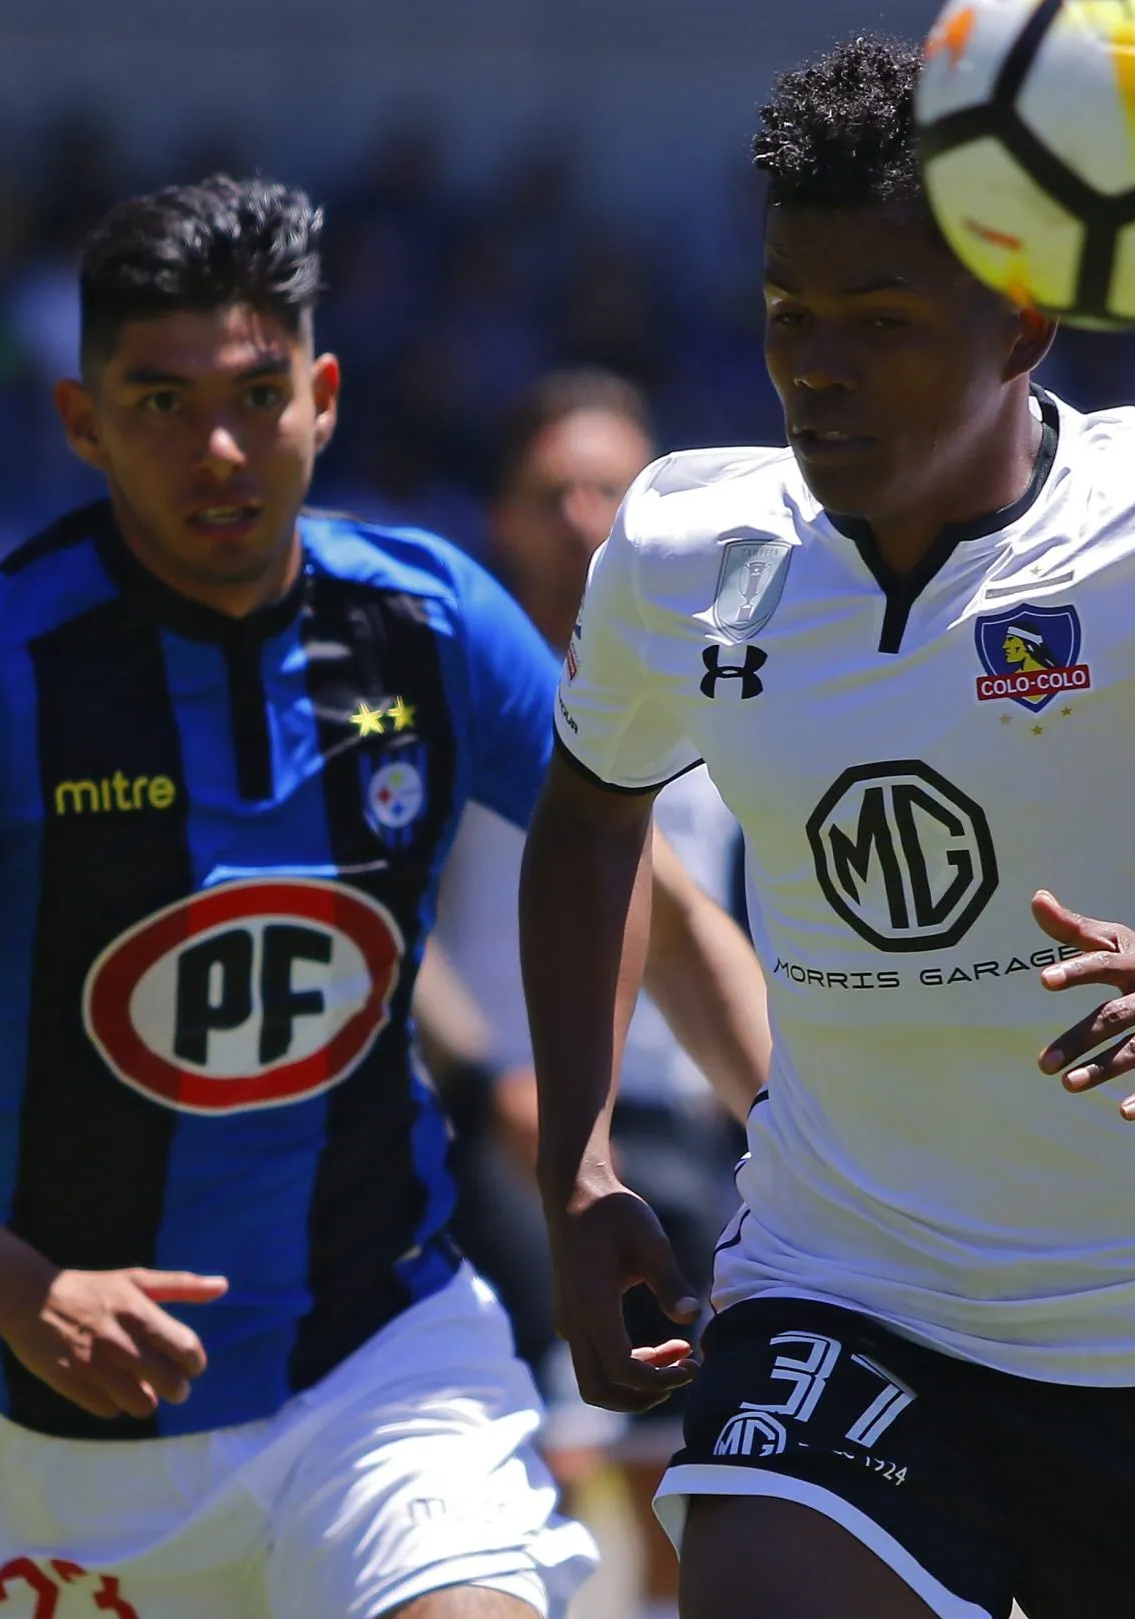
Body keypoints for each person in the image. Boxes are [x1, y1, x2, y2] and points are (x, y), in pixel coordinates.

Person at [518, 37, 1135, 1619]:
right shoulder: (681, 542)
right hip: (838, 1286)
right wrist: (574, 1162)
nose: (815, 367)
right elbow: (587, 826)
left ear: (1020, 327)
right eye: (790, 315)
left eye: (880, 320)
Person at [0, 175, 762, 1619]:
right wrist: (18, 1286)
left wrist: (819, 1164)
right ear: (79, 421)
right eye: (158, 401)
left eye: (256, 392)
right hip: (73, 1441)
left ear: (322, 396)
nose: (218, 446)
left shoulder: (428, 621)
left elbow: (654, 894)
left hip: (379, 1350)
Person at [432, 370, 749, 1619]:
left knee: (692, 1492)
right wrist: (481, 1082)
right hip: (508, 1136)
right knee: (533, 1484)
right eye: (550, 490)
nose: (582, 516)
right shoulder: (452, 694)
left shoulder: (732, 681)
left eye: (610, 488)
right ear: (501, 517)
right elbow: (388, 935)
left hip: (695, 1140)